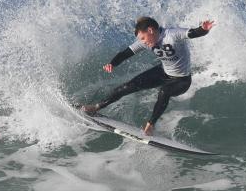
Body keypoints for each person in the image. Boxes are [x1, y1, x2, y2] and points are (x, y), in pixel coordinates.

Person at [81, 16, 215, 136]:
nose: (143, 42)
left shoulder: (172, 34)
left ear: (150, 30)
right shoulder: (145, 41)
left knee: (164, 92)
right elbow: (125, 53)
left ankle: (150, 125)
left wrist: (203, 29)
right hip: (163, 72)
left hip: (182, 80)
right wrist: (112, 63)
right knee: (127, 86)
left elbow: (192, 33)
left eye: (143, 38)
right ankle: (96, 107)